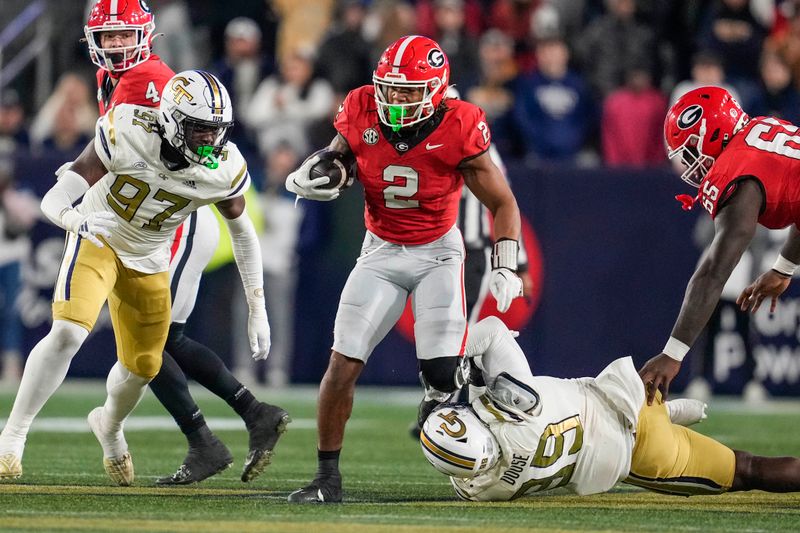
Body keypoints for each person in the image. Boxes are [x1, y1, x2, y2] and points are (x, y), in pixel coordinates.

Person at [0, 69, 273, 487]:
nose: (211, 141)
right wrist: (74, 219)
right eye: (200, 129)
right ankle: (12, 438)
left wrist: (257, 306)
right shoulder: (128, 129)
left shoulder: (224, 167)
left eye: (218, 131)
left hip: (149, 257)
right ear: (171, 120)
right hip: (100, 234)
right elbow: (57, 196)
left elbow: (244, 233)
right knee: (70, 331)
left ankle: (108, 426)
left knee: (143, 367)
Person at [284, 35, 523, 503]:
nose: (396, 99)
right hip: (381, 251)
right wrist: (320, 170)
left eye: (410, 91)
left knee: (439, 374)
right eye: (390, 88)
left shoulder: (461, 123)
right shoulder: (360, 108)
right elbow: (340, 156)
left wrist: (507, 264)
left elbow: (502, 201)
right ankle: (326, 477)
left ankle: (478, 416)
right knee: (341, 363)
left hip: (438, 252)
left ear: (436, 90)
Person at [63, 0, 288, 485]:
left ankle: (211, 436)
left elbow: (230, 211)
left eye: (125, 35)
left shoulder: (151, 85)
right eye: (108, 36)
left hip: (176, 221)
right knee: (163, 340)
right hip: (160, 217)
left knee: (156, 339)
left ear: (147, 34)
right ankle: (248, 417)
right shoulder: (116, 81)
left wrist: (258, 305)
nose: (116, 45)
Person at [421, 316, 800, 500]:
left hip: (637, 454)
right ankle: (669, 412)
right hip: (629, 398)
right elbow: (492, 330)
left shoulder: (482, 490)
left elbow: (465, 460)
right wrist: (442, 381)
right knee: (749, 469)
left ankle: (673, 414)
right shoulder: (518, 403)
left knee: (751, 468)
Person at [639, 85, 800, 404]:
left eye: (690, 152)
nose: (690, 165)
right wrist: (783, 269)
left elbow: (714, 272)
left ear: (712, 136)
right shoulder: (762, 130)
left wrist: (672, 354)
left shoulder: (736, 171)